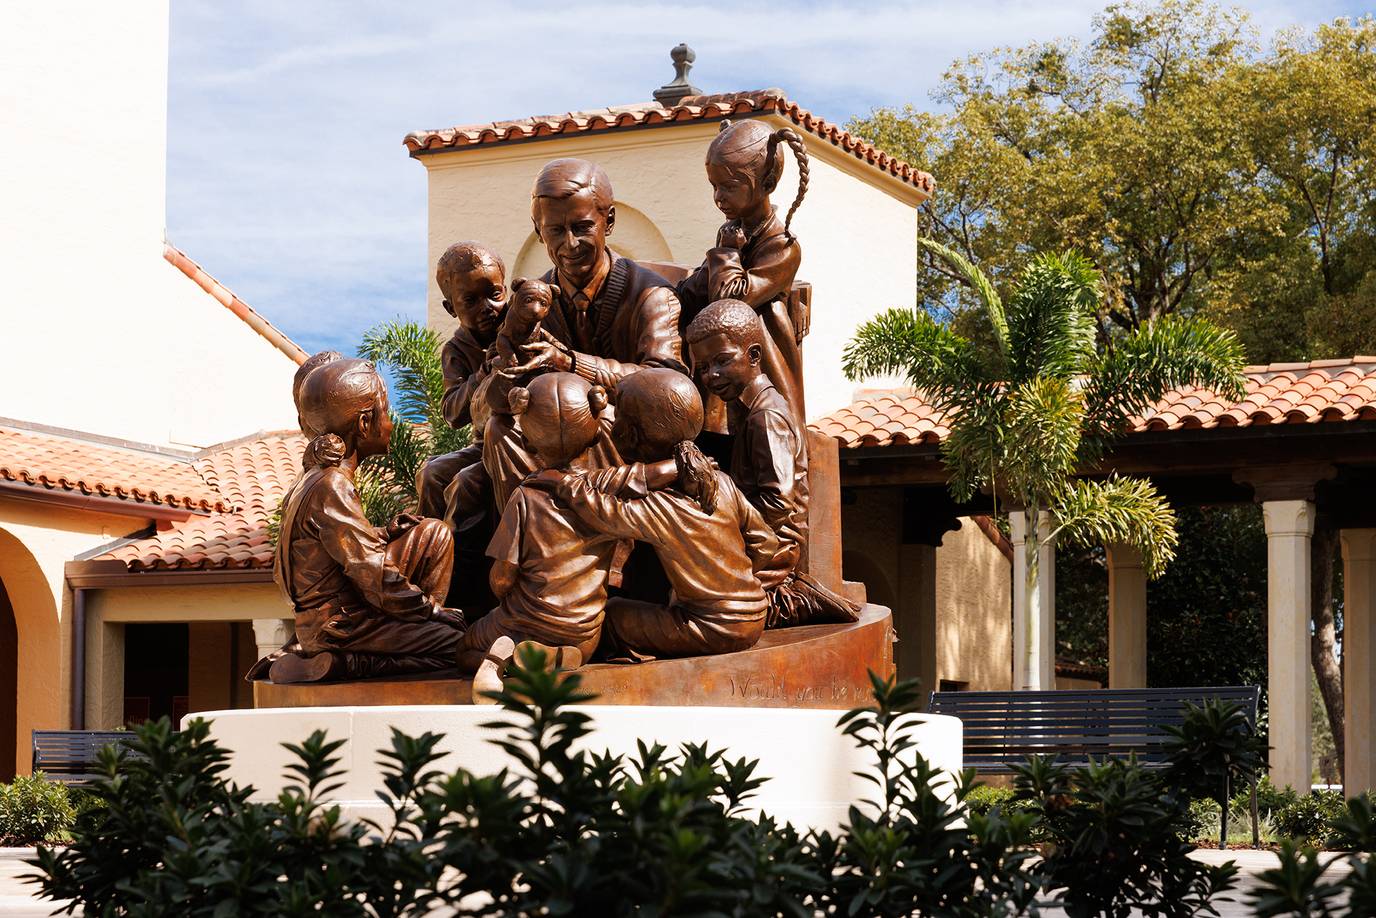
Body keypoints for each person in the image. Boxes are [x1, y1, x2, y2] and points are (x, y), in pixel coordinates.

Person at [483, 158, 685, 509]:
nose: (570, 244)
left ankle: (581, 554)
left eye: (582, 227)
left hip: (622, 438)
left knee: (598, 424)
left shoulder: (651, 296)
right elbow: (497, 397)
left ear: (608, 222)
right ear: (537, 229)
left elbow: (665, 385)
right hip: (547, 437)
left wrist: (571, 363)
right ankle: (529, 548)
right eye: (555, 231)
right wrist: (505, 372)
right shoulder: (531, 300)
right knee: (495, 437)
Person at [262, 356, 466, 683]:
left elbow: (335, 548)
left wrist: (384, 533)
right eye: (386, 412)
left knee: (433, 534)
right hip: (340, 627)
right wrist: (431, 610)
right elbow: (370, 571)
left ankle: (405, 635)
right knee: (460, 646)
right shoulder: (332, 485)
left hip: (341, 615)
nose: (391, 423)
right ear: (363, 424)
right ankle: (350, 664)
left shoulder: (315, 479)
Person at [552, 368, 780, 659]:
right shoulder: (721, 482)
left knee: (609, 614)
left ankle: (562, 658)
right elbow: (766, 542)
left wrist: (565, 485)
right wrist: (737, 581)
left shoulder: (659, 504)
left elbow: (605, 513)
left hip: (712, 627)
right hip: (757, 613)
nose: (612, 422)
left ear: (632, 434)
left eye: (618, 415)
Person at [685, 301, 858, 628]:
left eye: (722, 361)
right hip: (757, 540)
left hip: (772, 553)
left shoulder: (765, 416)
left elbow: (778, 502)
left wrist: (723, 533)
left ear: (753, 356)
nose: (711, 375)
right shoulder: (747, 409)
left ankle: (790, 602)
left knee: (703, 607)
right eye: (703, 367)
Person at [460, 373, 629, 700]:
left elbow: (501, 580)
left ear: (528, 441)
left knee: (464, 650)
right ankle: (554, 660)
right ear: (596, 435)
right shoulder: (607, 491)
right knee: (577, 640)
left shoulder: (525, 497)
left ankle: (513, 665)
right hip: (586, 633)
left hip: (524, 623)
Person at [676, 120, 810, 430]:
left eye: (729, 186)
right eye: (714, 186)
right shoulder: (734, 233)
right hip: (723, 371)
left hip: (759, 375)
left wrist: (726, 253)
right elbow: (693, 291)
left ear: (767, 183)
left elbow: (728, 303)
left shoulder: (782, 246)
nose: (718, 197)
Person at [414, 241, 507, 522]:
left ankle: (463, 562)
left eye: (495, 294)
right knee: (431, 473)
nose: (487, 307)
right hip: (483, 446)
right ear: (451, 307)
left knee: (465, 484)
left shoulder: (519, 326)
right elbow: (452, 412)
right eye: (471, 300)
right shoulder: (456, 350)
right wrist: (481, 375)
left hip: (521, 438)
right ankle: (428, 547)